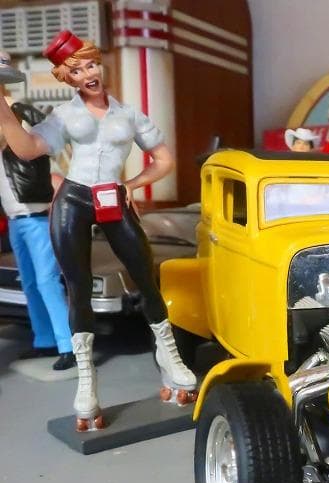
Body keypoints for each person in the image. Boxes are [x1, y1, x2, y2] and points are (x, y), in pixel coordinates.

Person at [0, 31, 196, 431]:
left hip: (112, 197)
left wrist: (133, 184)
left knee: (145, 276)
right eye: (77, 70)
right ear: (67, 79)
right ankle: (87, 379)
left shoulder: (129, 115)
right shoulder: (65, 116)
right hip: (74, 199)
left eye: (91, 65)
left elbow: (163, 159)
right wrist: (2, 108)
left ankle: (170, 358)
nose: (88, 74)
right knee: (78, 287)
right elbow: (27, 148)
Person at [0, 99, 73, 370]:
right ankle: (44, 340)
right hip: (15, 224)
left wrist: (17, 109)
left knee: (47, 282)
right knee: (30, 284)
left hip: (37, 221)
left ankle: (69, 345)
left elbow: (40, 123)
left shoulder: (29, 152)